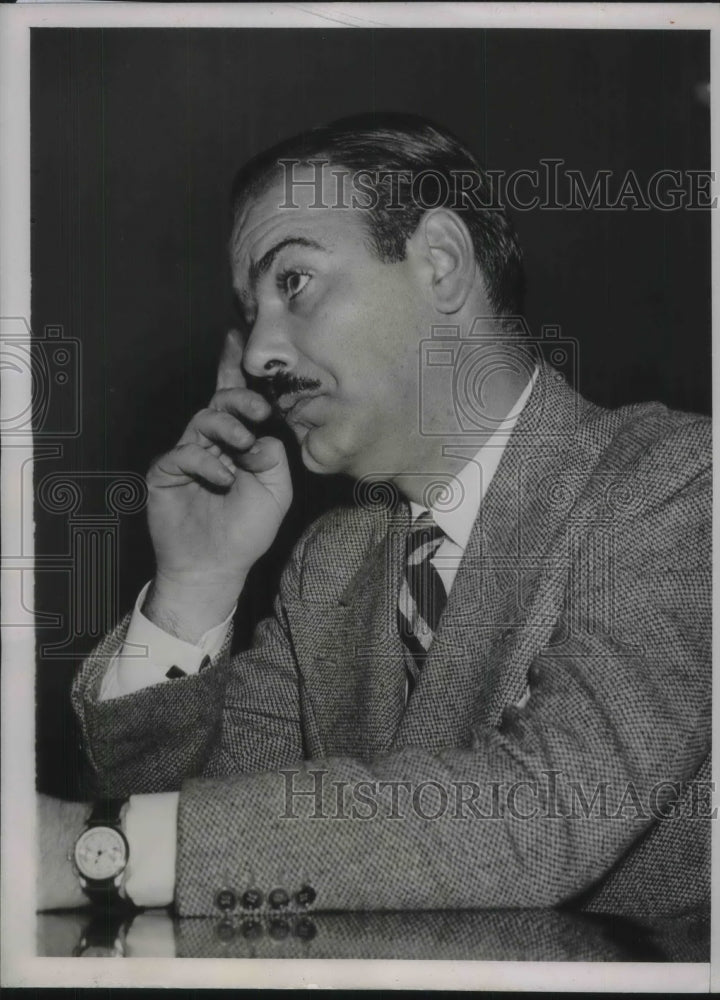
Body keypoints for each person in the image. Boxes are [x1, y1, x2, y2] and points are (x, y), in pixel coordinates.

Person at [38, 113, 711, 920]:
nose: (258, 354)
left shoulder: (676, 483)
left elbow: (553, 808)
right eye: (251, 313)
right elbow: (207, 839)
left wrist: (94, 853)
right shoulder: (329, 564)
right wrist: (196, 587)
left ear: (441, 263)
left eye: (293, 283)